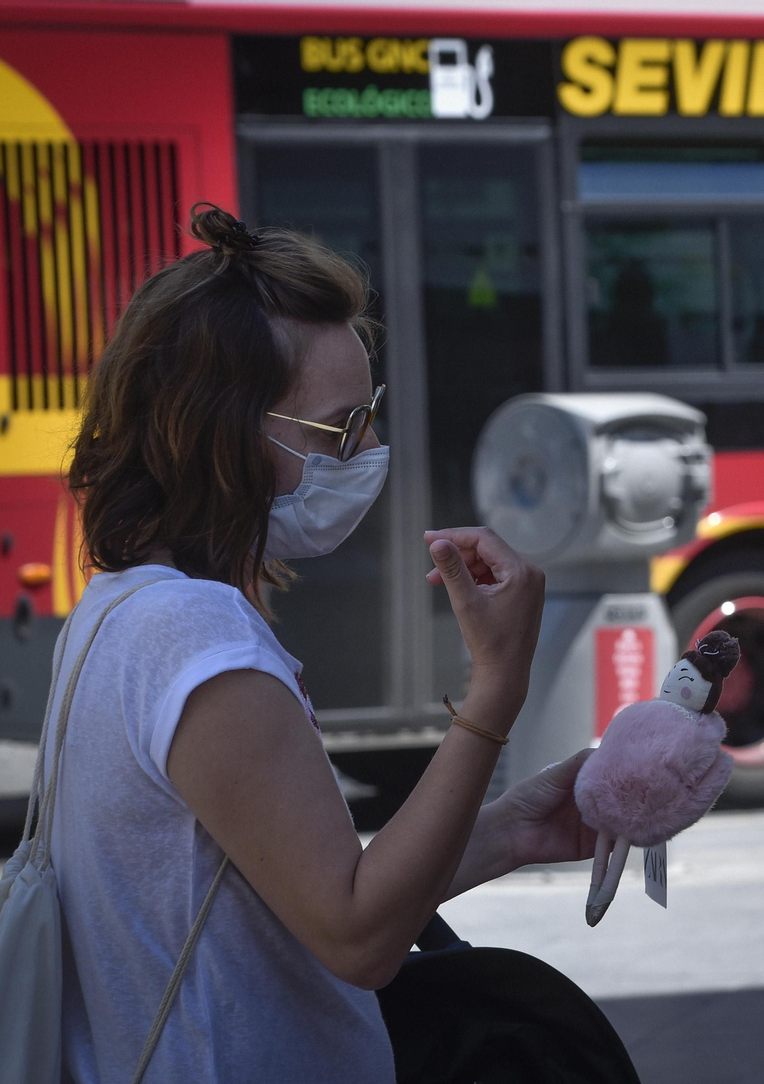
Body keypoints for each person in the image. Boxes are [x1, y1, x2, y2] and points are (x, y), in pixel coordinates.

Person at [51, 205, 595, 1082]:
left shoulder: (123, 609)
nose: (370, 449)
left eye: (369, 416)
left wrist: (510, 831)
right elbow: (358, 937)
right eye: (339, 429)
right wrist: (496, 686)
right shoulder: (198, 636)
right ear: (221, 435)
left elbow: (302, 892)